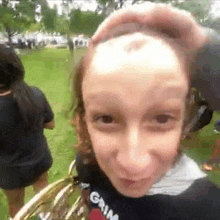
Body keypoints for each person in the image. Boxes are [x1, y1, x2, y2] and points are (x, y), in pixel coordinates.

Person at [71, 3, 220, 220]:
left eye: (161, 118)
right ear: (83, 121)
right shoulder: (87, 162)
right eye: (106, 118)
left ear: (184, 120)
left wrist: (206, 50)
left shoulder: (205, 210)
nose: (133, 163)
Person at [0, 46, 55, 220]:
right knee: (44, 195)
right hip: (39, 161)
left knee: (16, 204)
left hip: (10, 172)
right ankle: (48, 217)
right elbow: (51, 124)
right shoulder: (35, 94)